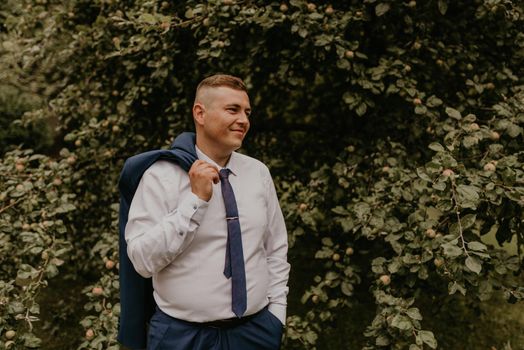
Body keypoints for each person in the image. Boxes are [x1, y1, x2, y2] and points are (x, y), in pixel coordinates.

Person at [125, 74, 290, 350]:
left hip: (255, 333)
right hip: (183, 338)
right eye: (232, 110)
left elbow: (274, 248)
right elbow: (142, 261)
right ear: (200, 113)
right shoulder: (161, 176)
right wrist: (195, 202)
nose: (244, 120)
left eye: (247, 112)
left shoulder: (258, 173)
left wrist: (277, 316)